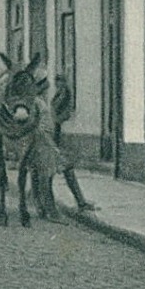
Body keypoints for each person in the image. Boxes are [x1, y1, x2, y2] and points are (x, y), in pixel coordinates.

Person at [49, 73, 98, 213]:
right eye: (56, 81)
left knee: (66, 169)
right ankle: (80, 202)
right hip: (56, 135)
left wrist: (56, 119)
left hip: (62, 135)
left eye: (60, 81)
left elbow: (64, 114)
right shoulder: (59, 94)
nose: (58, 84)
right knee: (62, 170)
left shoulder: (66, 94)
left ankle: (80, 202)